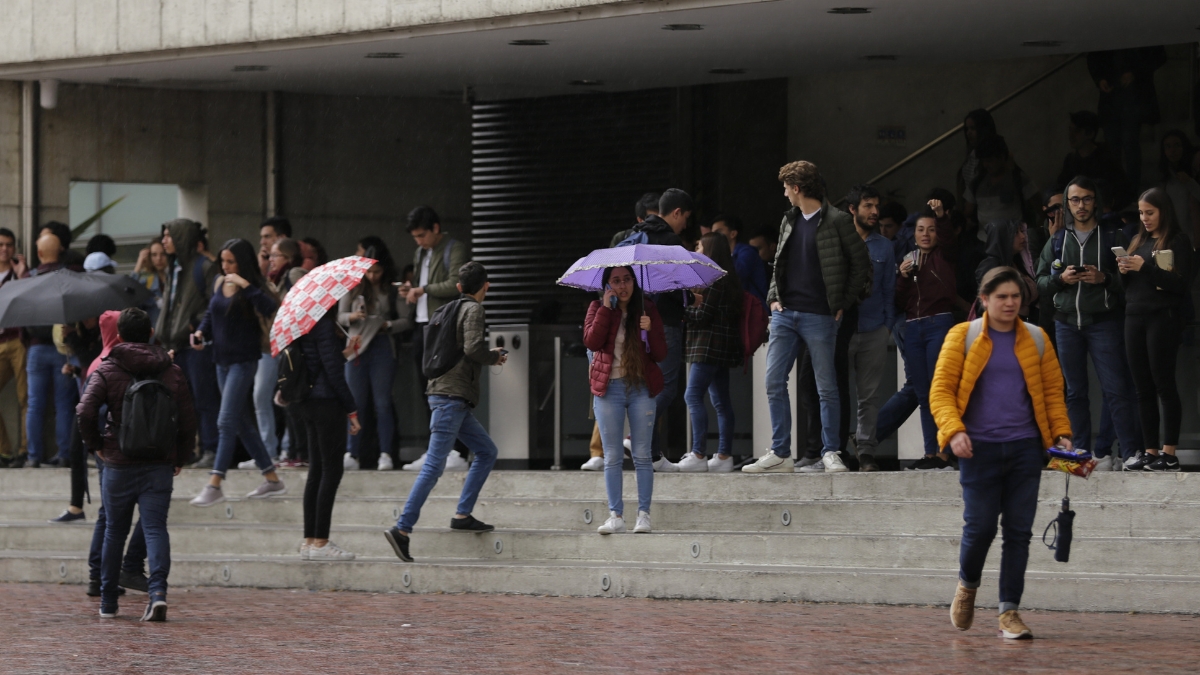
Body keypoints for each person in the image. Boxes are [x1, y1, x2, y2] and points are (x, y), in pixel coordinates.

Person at [930, 266, 1072, 641]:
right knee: (980, 528)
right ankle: (967, 585)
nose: (1010, 303)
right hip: (978, 449)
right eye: (1002, 297)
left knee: (1018, 532)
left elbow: (1053, 393)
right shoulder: (962, 336)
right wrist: (954, 431)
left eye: (1016, 296)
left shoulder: (1037, 338)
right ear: (984, 300)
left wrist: (1061, 433)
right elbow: (941, 391)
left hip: (1026, 448)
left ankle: (1009, 611)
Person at [744, 161, 869, 474]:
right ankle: (780, 452)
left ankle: (831, 451)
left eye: (786, 188)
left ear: (797, 188)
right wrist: (773, 298)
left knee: (826, 386)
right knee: (774, 381)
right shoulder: (789, 219)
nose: (785, 193)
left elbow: (861, 265)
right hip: (785, 313)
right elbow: (779, 263)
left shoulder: (838, 220)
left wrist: (843, 301)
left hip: (820, 315)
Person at [76, 307, 197, 621]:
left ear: (119, 336)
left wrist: (97, 446)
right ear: (151, 333)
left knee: (114, 531)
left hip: (118, 461)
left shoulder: (108, 368)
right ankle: (157, 594)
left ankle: (108, 603)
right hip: (159, 462)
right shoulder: (171, 370)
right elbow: (188, 420)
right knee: (155, 528)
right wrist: (180, 457)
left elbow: (84, 411)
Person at [384, 262, 507, 562]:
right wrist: (493, 357)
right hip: (451, 398)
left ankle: (462, 515)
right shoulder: (473, 310)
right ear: (486, 285)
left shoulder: (446, 309)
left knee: (487, 451)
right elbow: (473, 348)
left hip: (448, 396)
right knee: (433, 467)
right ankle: (402, 529)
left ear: (458, 287)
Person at [1034, 176, 1141, 471]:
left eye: (1087, 199)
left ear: (1096, 202)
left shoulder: (1113, 236)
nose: (1081, 205)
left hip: (1103, 321)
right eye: (1075, 200)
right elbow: (1040, 281)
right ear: (1067, 203)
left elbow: (1131, 282)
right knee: (1074, 393)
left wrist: (1103, 278)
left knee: (1116, 389)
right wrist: (1061, 279)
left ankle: (1129, 453)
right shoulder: (1058, 239)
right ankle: (1079, 456)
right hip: (1066, 323)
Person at [188, 239, 285, 506]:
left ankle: (215, 483)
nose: (226, 267)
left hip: (244, 362)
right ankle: (272, 479)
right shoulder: (219, 282)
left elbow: (270, 308)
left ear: (242, 262)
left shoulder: (253, 287)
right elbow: (212, 313)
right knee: (241, 423)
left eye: (231, 262)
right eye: (223, 261)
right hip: (221, 361)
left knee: (226, 421)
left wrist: (245, 285)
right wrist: (200, 332)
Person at [583, 265, 667, 532]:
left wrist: (650, 329)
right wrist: (606, 310)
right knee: (612, 456)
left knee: (642, 455)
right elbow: (592, 342)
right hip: (610, 389)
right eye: (616, 281)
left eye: (627, 280)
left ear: (634, 281)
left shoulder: (647, 308)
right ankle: (616, 516)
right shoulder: (597, 308)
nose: (623, 286)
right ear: (607, 285)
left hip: (640, 387)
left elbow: (661, 354)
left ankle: (644, 515)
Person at [877, 200, 960, 471]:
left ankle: (945, 452)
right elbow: (899, 302)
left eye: (931, 229)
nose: (926, 234)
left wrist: (941, 216)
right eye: (921, 229)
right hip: (913, 327)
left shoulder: (944, 254)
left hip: (939, 323)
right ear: (913, 234)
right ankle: (930, 452)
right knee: (923, 393)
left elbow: (948, 240)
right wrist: (902, 277)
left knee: (940, 389)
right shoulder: (909, 259)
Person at [1117, 188, 1194, 472]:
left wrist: (1144, 268)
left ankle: (1169, 453)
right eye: (1141, 213)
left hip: (1163, 317)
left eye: (1150, 212)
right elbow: (1128, 288)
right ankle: (1150, 451)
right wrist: (1124, 272)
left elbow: (1180, 284)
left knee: (1164, 384)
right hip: (1134, 315)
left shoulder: (1177, 240)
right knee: (1142, 387)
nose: (1144, 218)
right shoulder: (1137, 240)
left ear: (1164, 211)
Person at [617, 189, 692, 472]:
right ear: (677, 213)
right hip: (664, 324)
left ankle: (653, 456)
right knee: (666, 388)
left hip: (637, 322)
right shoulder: (670, 242)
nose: (685, 224)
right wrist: (690, 298)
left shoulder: (636, 235)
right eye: (685, 218)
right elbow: (674, 287)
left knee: (648, 386)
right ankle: (634, 434)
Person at [77, 311, 150, 596]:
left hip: (107, 448)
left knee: (108, 514)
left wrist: (96, 445)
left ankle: (98, 576)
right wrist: (98, 445)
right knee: (130, 513)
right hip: (118, 448)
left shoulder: (101, 362)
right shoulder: (114, 364)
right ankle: (110, 573)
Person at [399, 206, 470, 473]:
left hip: (443, 325)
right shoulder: (421, 253)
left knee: (448, 388)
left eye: (422, 235)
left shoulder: (454, 248)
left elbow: (456, 284)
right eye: (415, 237)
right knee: (427, 390)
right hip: (422, 324)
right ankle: (437, 448)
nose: (419, 241)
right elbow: (421, 285)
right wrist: (411, 290)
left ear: (436, 228)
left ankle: (456, 450)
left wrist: (423, 289)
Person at [294, 308, 362, 561]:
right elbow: (333, 372)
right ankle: (321, 542)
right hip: (327, 404)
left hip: (307, 402)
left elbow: (322, 363)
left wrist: (345, 352)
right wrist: (351, 409)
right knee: (331, 471)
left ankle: (309, 541)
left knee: (317, 471)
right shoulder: (322, 324)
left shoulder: (302, 322)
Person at [673, 234, 743, 473]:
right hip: (719, 347)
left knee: (692, 396)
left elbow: (703, 315)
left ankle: (698, 453)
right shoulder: (726, 277)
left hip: (707, 346)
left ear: (711, 249)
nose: (696, 249)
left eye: (700, 246)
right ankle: (723, 456)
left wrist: (682, 310)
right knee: (721, 401)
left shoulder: (714, 278)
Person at [339, 236, 410, 471]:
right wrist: (353, 316)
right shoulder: (352, 285)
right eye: (368, 271)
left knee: (382, 403)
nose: (372, 276)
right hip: (356, 348)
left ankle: (386, 453)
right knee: (354, 403)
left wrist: (386, 325)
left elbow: (406, 320)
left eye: (377, 272)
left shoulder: (392, 289)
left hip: (382, 346)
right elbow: (339, 316)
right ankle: (352, 452)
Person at [158, 219, 221, 468]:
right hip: (175, 346)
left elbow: (215, 303)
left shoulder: (204, 267)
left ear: (181, 238)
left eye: (168, 236)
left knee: (205, 399)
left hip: (197, 346)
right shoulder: (173, 268)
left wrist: (196, 323)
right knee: (183, 403)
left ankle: (211, 448)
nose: (164, 241)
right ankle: (190, 450)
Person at [844, 185, 895, 472]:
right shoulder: (839, 240)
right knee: (835, 392)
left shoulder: (884, 246)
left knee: (869, 396)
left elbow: (889, 290)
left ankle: (865, 451)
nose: (875, 211)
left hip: (875, 328)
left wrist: (887, 325)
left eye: (876, 206)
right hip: (842, 328)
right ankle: (834, 448)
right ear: (853, 209)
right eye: (868, 206)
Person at [22, 223, 81, 468]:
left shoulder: (29, 278)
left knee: (35, 404)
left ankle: (33, 456)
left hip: (36, 348)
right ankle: (65, 453)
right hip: (62, 348)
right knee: (63, 404)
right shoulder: (69, 277)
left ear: (39, 254)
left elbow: (21, 315)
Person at [1087, 47, 1168, 189]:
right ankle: (1119, 188)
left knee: (1128, 143)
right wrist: (1100, 79)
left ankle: (1128, 188)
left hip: (1132, 97)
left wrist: (1135, 73)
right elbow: (1094, 57)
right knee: (1116, 146)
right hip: (1114, 96)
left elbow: (1158, 55)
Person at [251, 218, 291, 465]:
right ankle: (268, 450)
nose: (263, 243)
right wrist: (261, 269)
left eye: (268, 237)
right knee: (261, 396)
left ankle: (288, 448)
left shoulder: (292, 275)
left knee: (288, 395)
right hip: (267, 346)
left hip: (287, 346)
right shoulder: (265, 274)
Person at [269, 238, 309, 466]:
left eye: (276, 255)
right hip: (285, 344)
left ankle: (301, 453)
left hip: (297, 346)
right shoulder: (277, 279)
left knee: (293, 398)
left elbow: (303, 305)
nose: (271, 260)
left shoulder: (294, 274)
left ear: (289, 258)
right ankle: (293, 451)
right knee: (286, 398)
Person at [963, 135, 1040, 232]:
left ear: (1002, 157)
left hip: (1014, 237)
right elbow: (967, 211)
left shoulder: (1018, 179)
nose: (986, 165)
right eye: (983, 161)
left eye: (990, 160)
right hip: (986, 238)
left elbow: (1038, 206)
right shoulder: (977, 183)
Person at [1056, 111, 1131, 209]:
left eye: (1077, 131)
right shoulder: (1071, 160)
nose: (1071, 135)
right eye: (1070, 130)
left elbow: (1123, 192)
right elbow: (1061, 187)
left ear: (1090, 134)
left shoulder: (1106, 159)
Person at [0, 228, 27, 467]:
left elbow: (31, 301)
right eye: (0, 245)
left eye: (9, 245)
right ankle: (4, 451)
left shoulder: (19, 274)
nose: (5, 249)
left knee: (25, 397)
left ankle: (25, 451)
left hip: (18, 340)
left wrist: (22, 275)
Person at [976, 221, 1038, 321]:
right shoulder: (991, 266)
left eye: (1021, 231)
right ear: (1003, 237)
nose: (1022, 236)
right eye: (1016, 233)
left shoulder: (1016, 262)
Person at [710, 214, 768, 302]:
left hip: (754, 306)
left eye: (718, 232)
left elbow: (736, 275)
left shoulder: (747, 252)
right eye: (712, 233)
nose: (714, 236)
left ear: (733, 234)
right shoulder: (730, 254)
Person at [1158, 130, 1200, 237]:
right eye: (1168, 146)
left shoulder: (1194, 171)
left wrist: (1190, 183)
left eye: (1177, 145)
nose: (1172, 150)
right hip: (1176, 236)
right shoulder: (1167, 178)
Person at [956, 109, 998, 209]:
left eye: (973, 128)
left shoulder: (995, 156)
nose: (968, 133)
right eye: (967, 129)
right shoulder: (972, 154)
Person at [132, 237, 169, 328]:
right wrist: (139, 266)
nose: (159, 258)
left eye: (163, 254)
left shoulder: (176, 281)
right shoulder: (147, 284)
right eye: (154, 255)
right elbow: (129, 295)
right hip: (154, 334)